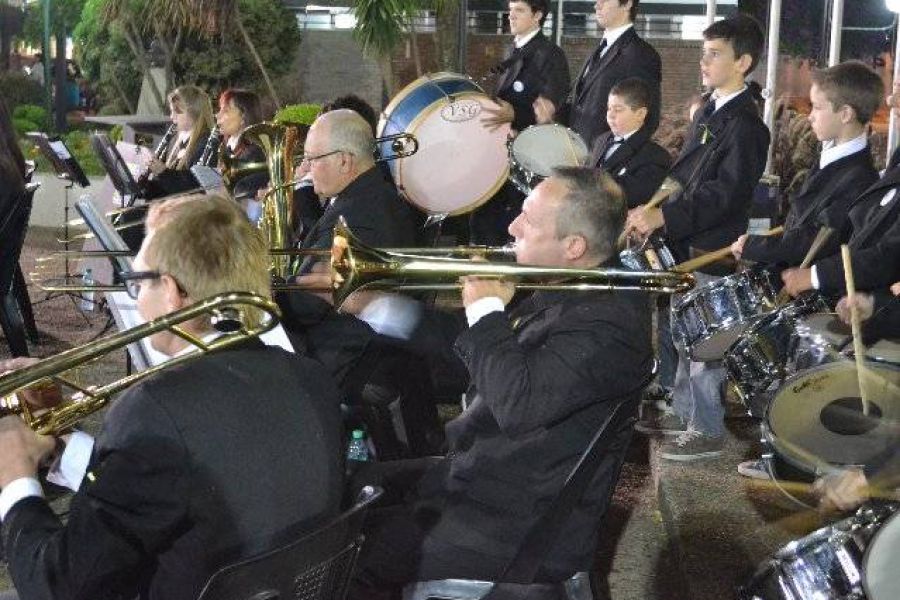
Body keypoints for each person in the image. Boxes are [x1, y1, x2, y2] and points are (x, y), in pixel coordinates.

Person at [0, 196, 344, 600]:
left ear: (171, 291)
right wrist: (58, 445)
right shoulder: (310, 377)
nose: (136, 297)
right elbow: (164, 484)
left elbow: (58, 585)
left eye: (139, 282)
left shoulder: (154, 410)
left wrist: (16, 482)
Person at [348, 167, 654, 598]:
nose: (512, 227)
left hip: (517, 522)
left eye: (528, 219)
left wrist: (488, 311)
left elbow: (519, 403)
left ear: (574, 246)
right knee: (346, 486)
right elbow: (477, 353)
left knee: (346, 557)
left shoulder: (609, 325)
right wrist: (376, 307)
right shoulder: (572, 284)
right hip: (487, 478)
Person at [626, 15, 769, 461]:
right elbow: (685, 173)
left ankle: (706, 430)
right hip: (685, 241)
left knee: (705, 344)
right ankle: (685, 411)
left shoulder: (747, 126)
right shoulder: (711, 109)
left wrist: (665, 217)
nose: (703, 61)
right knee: (680, 332)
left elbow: (724, 197)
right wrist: (652, 208)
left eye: (714, 54)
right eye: (703, 52)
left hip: (712, 247)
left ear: (743, 62)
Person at [732, 62, 881, 269]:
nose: (810, 116)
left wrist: (760, 246)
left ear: (846, 114)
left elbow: (817, 238)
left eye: (817, 107)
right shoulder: (831, 158)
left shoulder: (860, 179)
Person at [471, 0, 571, 245]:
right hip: (502, 155)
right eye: (510, 10)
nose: (511, 16)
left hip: (528, 164)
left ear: (537, 15)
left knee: (513, 228)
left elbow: (552, 112)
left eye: (519, 10)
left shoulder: (551, 55)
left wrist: (515, 114)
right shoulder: (513, 51)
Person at [551, 0, 661, 150]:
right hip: (578, 157)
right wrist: (552, 113)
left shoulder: (640, 55)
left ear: (628, 4)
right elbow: (584, 106)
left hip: (603, 165)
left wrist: (609, 159)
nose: (597, 5)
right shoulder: (600, 50)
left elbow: (647, 119)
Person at [590, 77, 670, 208]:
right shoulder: (601, 141)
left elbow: (631, 195)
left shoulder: (655, 156)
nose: (610, 115)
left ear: (640, 114)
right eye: (609, 108)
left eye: (618, 109)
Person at [139, 85, 215, 200]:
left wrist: (163, 172)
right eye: (171, 111)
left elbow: (196, 188)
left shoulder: (206, 143)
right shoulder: (174, 141)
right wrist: (143, 185)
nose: (172, 117)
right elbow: (164, 189)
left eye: (177, 112)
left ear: (193, 113)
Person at [216, 87, 269, 203]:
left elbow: (244, 195)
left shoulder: (255, 153)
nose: (217, 115)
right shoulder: (224, 147)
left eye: (225, 111)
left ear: (243, 117)